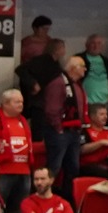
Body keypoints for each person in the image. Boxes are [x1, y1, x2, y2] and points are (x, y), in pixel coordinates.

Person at [43, 56, 90, 198]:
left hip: (74, 131)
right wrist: (59, 128)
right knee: (54, 167)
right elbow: (52, 109)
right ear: (74, 68)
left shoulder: (77, 84)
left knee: (73, 168)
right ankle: (43, 197)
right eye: (82, 66)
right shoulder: (58, 83)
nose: (85, 69)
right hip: (61, 132)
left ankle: (67, 199)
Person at [0, 89, 34, 213]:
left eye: (22, 102)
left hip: (24, 172)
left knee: (19, 210)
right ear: (6, 103)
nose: (21, 105)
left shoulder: (23, 121)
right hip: (2, 172)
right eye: (17, 102)